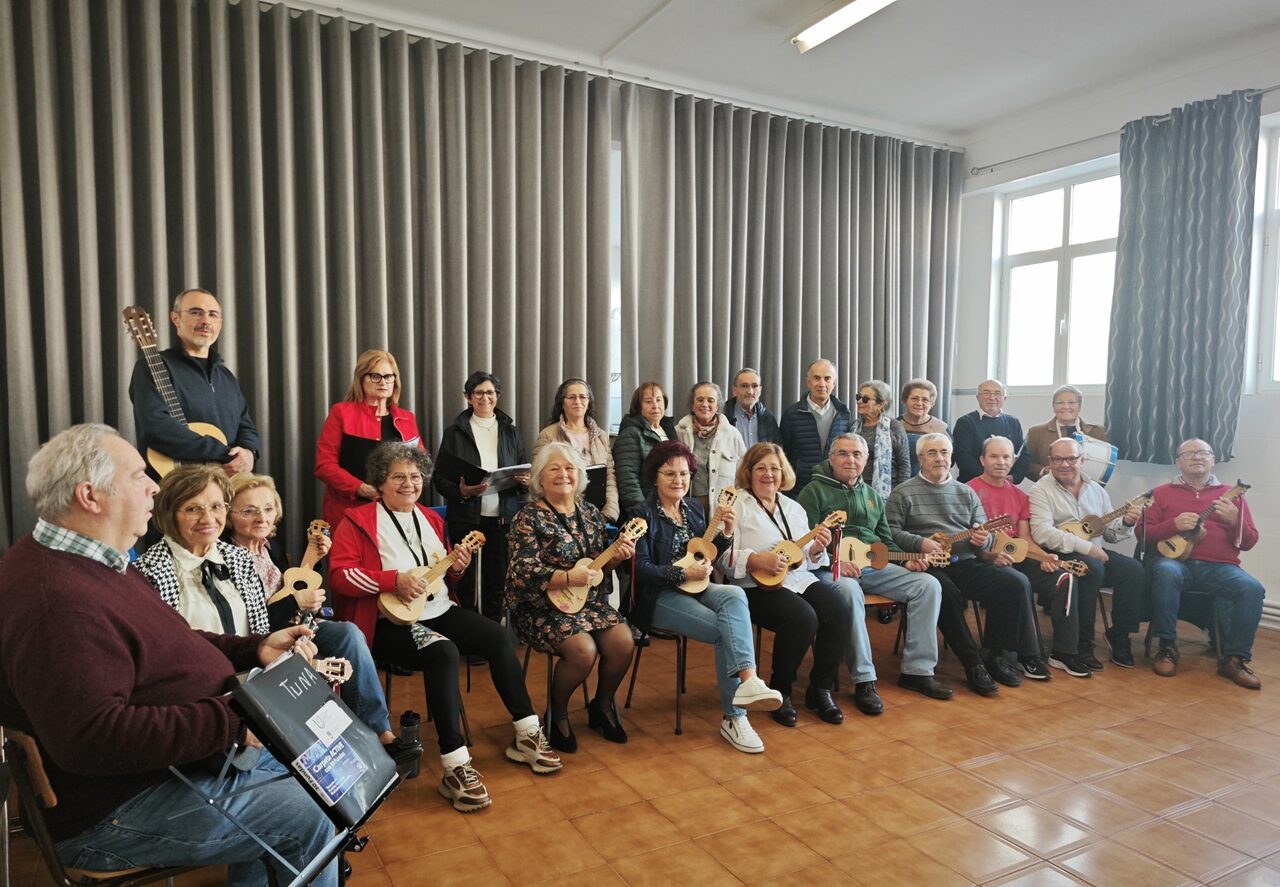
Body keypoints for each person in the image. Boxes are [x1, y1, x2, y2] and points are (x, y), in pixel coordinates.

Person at [0, 424, 336, 885]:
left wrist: (252, 648)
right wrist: (238, 720)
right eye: (138, 475)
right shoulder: (56, 603)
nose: (154, 487)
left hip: (174, 765)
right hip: (115, 809)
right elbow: (93, 738)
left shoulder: (95, 561)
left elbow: (172, 639)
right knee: (311, 811)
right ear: (90, 496)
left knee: (320, 768)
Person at [134, 465, 421, 774]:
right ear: (169, 513)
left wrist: (298, 664)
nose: (209, 518)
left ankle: (374, 746)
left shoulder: (237, 558)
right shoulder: (149, 572)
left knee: (341, 758)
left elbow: (261, 632)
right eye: (193, 509)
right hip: (207, 705)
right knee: (325, 764)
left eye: (216, 506)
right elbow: (169, 662)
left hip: (257, 685)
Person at [330, 442, 560, 813]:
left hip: (437, 610)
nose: (409, 484)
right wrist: (392, 580)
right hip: (390, 622)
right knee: (443, 652)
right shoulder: (356, 521)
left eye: (415, 476)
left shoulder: (431, 519)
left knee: (497, 636)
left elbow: (442, 576)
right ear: (380, 482)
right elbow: (340, 576)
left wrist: (458, 567)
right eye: (398, 477)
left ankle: (527, 732)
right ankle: (455, 765)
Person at [629, 441, 783, 752]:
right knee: (725, 630)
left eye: (684, 474)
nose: (678, 480)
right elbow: (638, 569)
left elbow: (707, 553)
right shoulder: (640, 514)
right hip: (657, 596)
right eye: (669, 473)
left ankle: (749, 681)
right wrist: (681, 574)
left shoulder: (694, 510)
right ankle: (735, 717)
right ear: (655, 477)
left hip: (697, 587)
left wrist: (726, 533)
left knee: (734, 594)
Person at [797, 434, 952, 708]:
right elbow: (804, 541)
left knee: (928, 584)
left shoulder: (871, 495)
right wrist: (834, 562)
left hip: (872, 566)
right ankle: (864, 679)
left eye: (857, 454)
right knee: (848, 592)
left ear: (866, 460)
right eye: (843, 454)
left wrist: (905, 561)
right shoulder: (813, 492)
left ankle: (917, 672)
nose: (851, 460)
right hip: (828, 568)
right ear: (831, 458)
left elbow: (886, 541)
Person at [506, 443, 637, 752]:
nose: (563, 474)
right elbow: (522, 571)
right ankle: (558, 713)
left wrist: (617, 557)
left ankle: (601, 706)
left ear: (579, 475)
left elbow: (597, 568)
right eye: (554, 468)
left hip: (586, 603)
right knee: (582, 650)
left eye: (569, 468)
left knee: (623, 641)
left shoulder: (590, 513)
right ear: (540, 478)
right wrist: (566, 578)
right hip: (539, 607)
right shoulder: (527, 518)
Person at [887, 433, 1036, 697]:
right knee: (946, 592)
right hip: (927, 565)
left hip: (964, 561)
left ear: (951, 457)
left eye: (944, 452)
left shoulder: (966, 492)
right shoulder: (903, 492)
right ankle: (972, 662)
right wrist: (920, 543)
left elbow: (985, 534)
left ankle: (994, 655)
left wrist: (983, 538)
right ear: (920, 458)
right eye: (932, 453)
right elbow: (890, 532)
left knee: (1014, 582)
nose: (939, 458)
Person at [720, 443, 852, 727]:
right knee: (802, 617)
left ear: (783, 473)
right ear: (748, 472)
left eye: (775, 468)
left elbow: (806, 560)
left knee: (839, 609)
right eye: (761, 468)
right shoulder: (735, 506)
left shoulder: (793, 508)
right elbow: (722, 557)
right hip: (752, 587)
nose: (768, 474)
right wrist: (755, 560)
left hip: (797, 580)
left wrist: (817, 548)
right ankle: (781, 691)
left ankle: (821, 689)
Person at [1138, 439, 1264, 688]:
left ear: (1213, 460)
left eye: (1203, 453)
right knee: (1165, 570)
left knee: (1252, 588)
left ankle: (1234, 660)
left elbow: (1249, 542)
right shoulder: (1161, 493)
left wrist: (1235, 520)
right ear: (1178, 462)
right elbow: (1142, 535)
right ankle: (1167, 648)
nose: (1197, 457)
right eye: (1189, 454)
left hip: (1221, 567)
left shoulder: (1232, 495)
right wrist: (1173, 525)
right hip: (1176, 563)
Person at [1029, 437, 1145, 672]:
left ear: (1082, 460)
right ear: (1050, 461)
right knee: (1093, 568)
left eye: (1071, 458)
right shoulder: (1040, 490)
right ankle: (1082, 643)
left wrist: (1126, 522)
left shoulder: (1096, 490)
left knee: (1133, 570)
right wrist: (1087, 548)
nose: (1064, 464)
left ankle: (1119, 635)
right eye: (1058, 459)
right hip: (1058, 555)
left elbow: (1109, 533)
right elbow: (1042, 533)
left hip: (1094, 552)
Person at [129, 288, 259, 477]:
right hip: (172, 486)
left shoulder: (226, 377)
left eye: (213, 314)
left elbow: (246, 427)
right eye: (196, 312)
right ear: (176, 318)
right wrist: (224, 453)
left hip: (226, 484)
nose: (205, 321)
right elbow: (156, 427)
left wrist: (249, 452)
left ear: (220, 324)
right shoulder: (152, 367)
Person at [432, 371, 529, 622]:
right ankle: (470, 633)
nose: (485, 398)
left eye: (490, 392)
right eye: (478, 393)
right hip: (466, 517)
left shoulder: (511, 432)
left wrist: (525, 483)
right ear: (468, 397)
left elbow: (524, 470)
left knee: (497, 581)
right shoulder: (454, 433)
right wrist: (461, 492)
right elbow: (440, 478)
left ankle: (493, 632)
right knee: (465, 581)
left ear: (498, 395)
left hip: (503, 519)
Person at [966, 437, 1057, 679]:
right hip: (981, 558)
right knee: (1016, 582)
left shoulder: (1020, 495)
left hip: (1015, 556)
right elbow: (965, 539)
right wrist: (988, 555)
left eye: (1006, 457)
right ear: (982, 460)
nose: (1001, 462)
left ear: (1014, 461)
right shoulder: (968, 491)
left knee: (1060, 577)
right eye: (994, 456)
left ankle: (1067, 651)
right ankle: (1027, 655)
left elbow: (1024, 539)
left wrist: (1045, 556)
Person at [315, 349, 423, 530]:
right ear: (361, 379)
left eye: (388, 376)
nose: (383, 382)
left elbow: (421, 465)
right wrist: (360, 488)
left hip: (396, 513)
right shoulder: (341, 413)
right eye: (375, 376)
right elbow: (324, 466)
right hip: (348, 512)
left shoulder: (407, 418)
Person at [533, 377, 619, 521]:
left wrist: (609, 512)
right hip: (559, 514)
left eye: (582, 397)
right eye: (571, 397)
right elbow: (540, 477)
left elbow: (610, 477)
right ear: (562, 402)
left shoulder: (602, 436)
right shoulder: (548, 435)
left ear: (588, 401)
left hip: (598, 512)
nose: (577, 401)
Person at [224, 472, 323, 591]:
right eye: (248, 511)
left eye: (268, 509)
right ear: (227, 515)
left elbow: (293, 590)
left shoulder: (273, 548)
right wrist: (297, 600)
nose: (262, 519)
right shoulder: (223, 558)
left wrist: (313, 558)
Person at [779, 359, 852, 492]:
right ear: (808, 382)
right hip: (800, 488)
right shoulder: (792, 414)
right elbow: (783, 454)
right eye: (817, 378)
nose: (822, 384)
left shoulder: (843, 414)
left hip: (835, 488)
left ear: (834, 384)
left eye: (827, 379)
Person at [674, 381, 747, 515]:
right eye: (700, 400)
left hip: (722, 511)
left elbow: (743, 475)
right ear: (692, 404)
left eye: (710, 400)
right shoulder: (678, 433)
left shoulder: (732, 434)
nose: (705, 404)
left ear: (717, 405)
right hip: (686, 509)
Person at [613, 381, 679, 511]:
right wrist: (642, 511)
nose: (655, 406)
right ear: (638, 407)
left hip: (671, 505)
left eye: (659, 400)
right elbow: (628, 480)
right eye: (648, 402)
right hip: (648, 508)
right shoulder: (631, 433)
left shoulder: (669, 429)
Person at [1025, 385, 1108, 480]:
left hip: (1088, 486)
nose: (1065, 407)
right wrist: (1044, 471)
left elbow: (1104, 467)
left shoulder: (1097, 431)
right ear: (1053, 406)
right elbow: (1026, 464)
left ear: (1079, 406)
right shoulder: (1036, 432)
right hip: (1048, 486)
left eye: (1071, 402)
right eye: (1060, 403)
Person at [952, 379, 1028, 483]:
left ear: (1004, 398)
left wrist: (1014, 477)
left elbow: (1023, 454)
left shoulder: (1013, 422)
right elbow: (963, 457)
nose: (992, 397)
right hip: (972, 485)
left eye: (997, 393)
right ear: (978, 397)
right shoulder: (965, 423)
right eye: (986, 393)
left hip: (1005, 484)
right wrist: (991, 479)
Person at [851, 379, 911, 498]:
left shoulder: (894, 426)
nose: (859, 401)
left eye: (865, 399)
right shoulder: (854, 426)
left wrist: (900, 495)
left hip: (888, 492)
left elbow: (904, 464)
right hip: (856, 490)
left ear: (881, 404)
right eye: (858, 397)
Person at [898, 379, 949, 478]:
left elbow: (950, 460)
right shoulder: (894, 426)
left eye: (925, 400)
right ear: (904, 400)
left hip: (932, 480)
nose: (919, 403)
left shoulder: (941, 428)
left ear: (931, 403)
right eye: (914, 398)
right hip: (899, 481)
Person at [724, 367, 780, 448]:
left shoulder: (768, 419)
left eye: (754, 386)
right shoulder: (723, 416)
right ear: (734, 390)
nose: (750, 392)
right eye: (744, 386)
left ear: (760, 390)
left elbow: (776, 449)